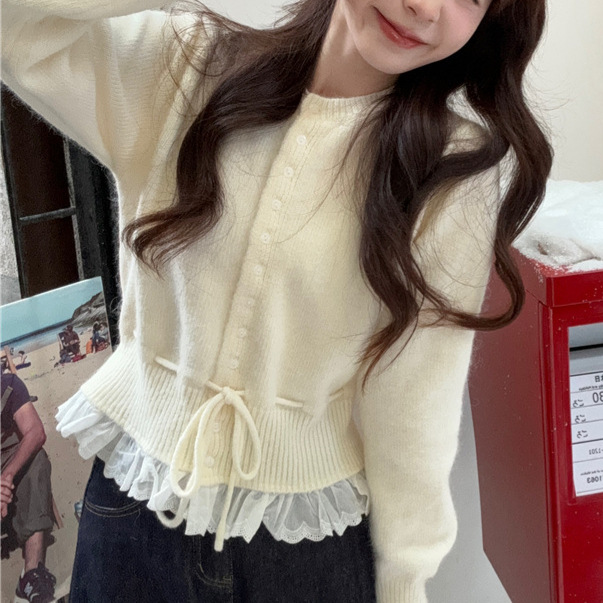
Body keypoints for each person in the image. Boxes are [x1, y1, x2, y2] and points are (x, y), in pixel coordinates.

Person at [1, 0, 552, 601]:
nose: (424, 7)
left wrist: (405, 582)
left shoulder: (451, 170)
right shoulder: (186, 67)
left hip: (305, 550)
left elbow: (415, 406)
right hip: (133, 515)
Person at [0, 349, 57, 603]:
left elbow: (35, 432)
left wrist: (6, 476)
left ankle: (31, 575)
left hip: (9, 461)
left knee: (37, 460)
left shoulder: (8, 385)